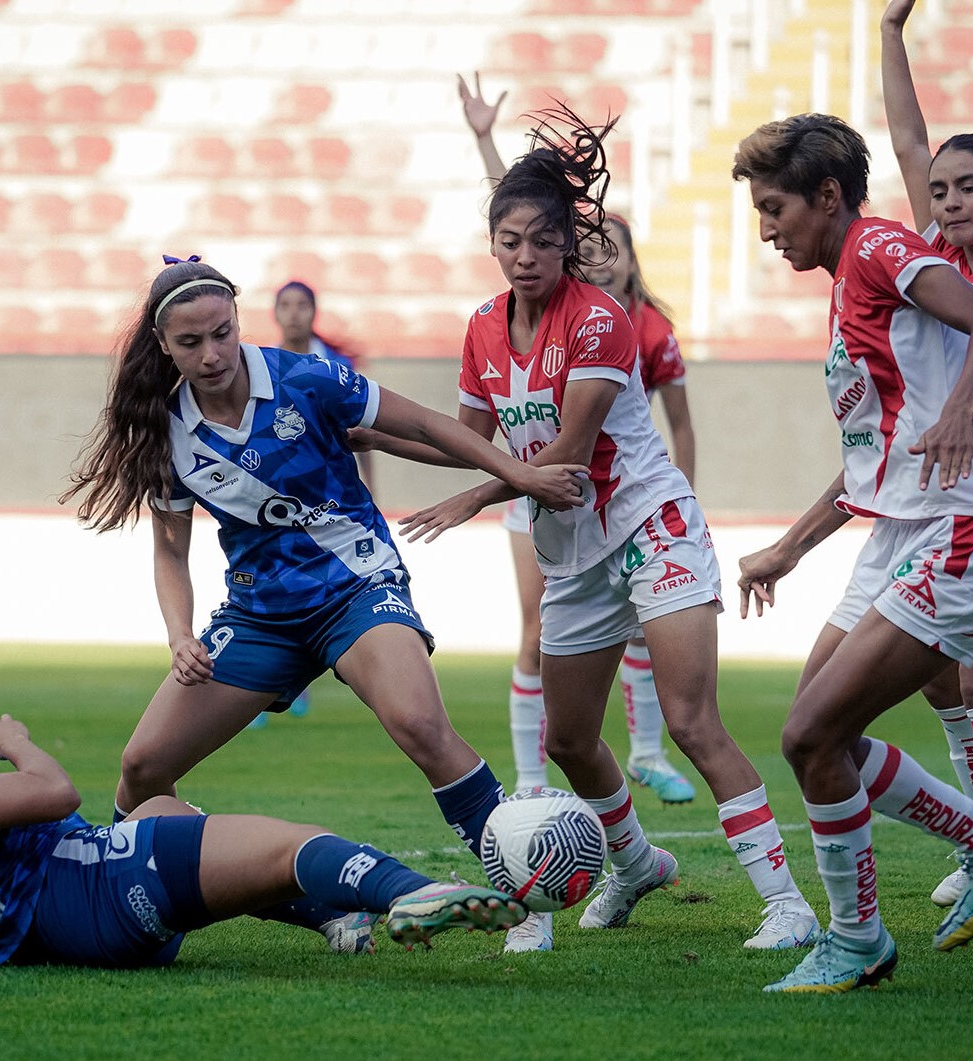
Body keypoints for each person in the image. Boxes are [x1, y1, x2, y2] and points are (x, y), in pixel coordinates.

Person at [384, 104, 820, 955]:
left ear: (567, 245)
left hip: (650, 527)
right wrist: (360, 425)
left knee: (693, 722)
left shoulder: (599, 319)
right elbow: (466, 434)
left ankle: (786, 902)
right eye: (508, 241)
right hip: (573, 553)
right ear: (493, 243)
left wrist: (473, 498)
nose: (524, 256)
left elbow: (567, 459)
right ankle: (632, 862)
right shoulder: (480, 325)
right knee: (569, 741)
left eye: (540, 242)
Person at [60, 256, 586, 950]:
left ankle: (527, 894)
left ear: (238, 319)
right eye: (191, 343)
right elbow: (168, 549)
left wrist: (518, 474)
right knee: (141, 771)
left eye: (221, 332)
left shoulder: (305, 377)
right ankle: (317, 907)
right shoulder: (165, 429)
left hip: (356, 588)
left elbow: (426, 423)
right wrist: (179, 632)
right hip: (259, 616)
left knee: (420, 724)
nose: (212, 353)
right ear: (163, 346)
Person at [735, 0, 973, 925]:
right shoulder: (901, 260)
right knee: (839, 716)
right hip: (913, 510)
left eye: (965, 186)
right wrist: (888, 33)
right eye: (937, 189)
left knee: (970, 685)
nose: (945, 199)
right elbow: (907, 144)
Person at [730, 113, 973, 993]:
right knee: (814, 734)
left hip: (966, 525)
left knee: (811, 733)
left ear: (826, 197)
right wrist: (790, 549)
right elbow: (872, 457)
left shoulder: (875, 248)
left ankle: (858, 937)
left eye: (773, 209)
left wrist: (957, 414)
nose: (765, 230)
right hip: (904, 528)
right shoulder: (849, 274)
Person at [0, 645, 528, 966]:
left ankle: (325, 915)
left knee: (162, 810)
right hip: (86, 893)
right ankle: (408, 892)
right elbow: (53, 794)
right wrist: (15, 741)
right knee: (291, 841)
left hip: (36, 931)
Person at [458, 71, 699, 805]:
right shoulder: (516, 307)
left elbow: (676, 427)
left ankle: (649, 749)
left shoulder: (630, 325)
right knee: (537, 627)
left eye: (612, 249)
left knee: (639, 629)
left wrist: (682, 493)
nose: (603, 258)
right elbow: (523, 212)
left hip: (616, 494)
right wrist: (482, 140)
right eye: (599, 247)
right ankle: (534, 777)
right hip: (536, 491)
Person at [260, 280, 371, 726]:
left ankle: (322, 671)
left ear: (313, 311)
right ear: (274, 313)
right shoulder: (261, 368)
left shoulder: (337, 366)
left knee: (332, 583)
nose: (292, 314)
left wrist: (369, 489)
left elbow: (363, 436)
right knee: (270, 579)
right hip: (277, 499)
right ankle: (266, 684)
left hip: (333, 499)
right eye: (284, 305)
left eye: (300, 305)